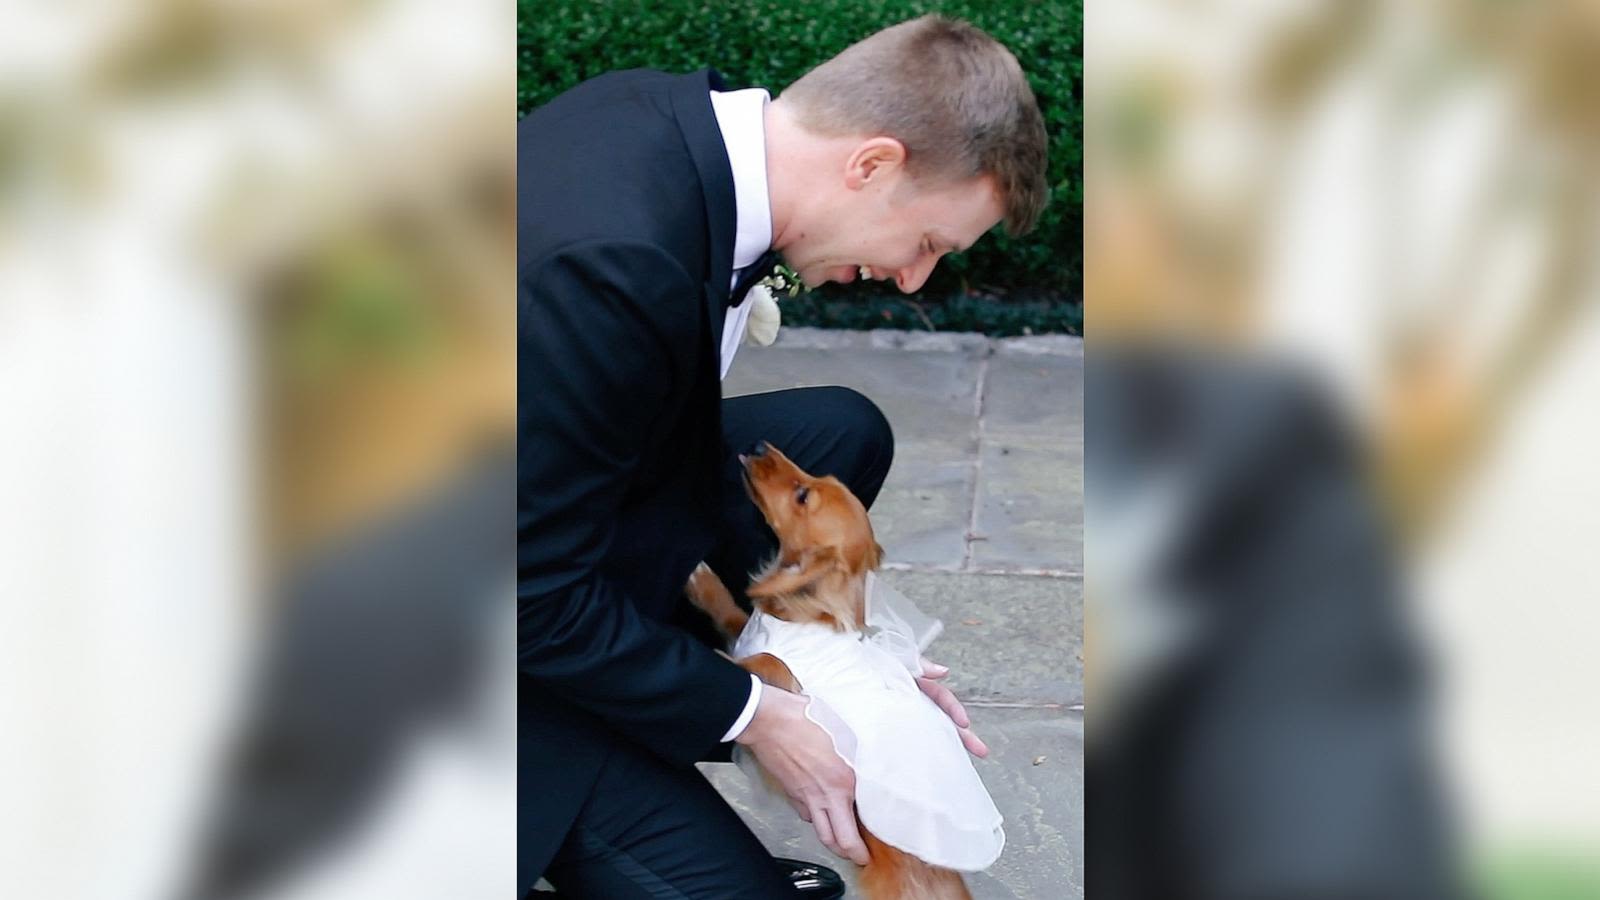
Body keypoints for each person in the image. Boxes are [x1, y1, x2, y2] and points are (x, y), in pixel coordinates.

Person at [518, 14, 1048, 897]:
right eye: (927, 245)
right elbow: (525, 593)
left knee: (839, 433)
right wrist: (757, 714)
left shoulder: (679, 120)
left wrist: (856, 664)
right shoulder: (613, 268)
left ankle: (664, 681)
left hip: (530, 500)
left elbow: (642, 433)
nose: (915, 280)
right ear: (871, 164)